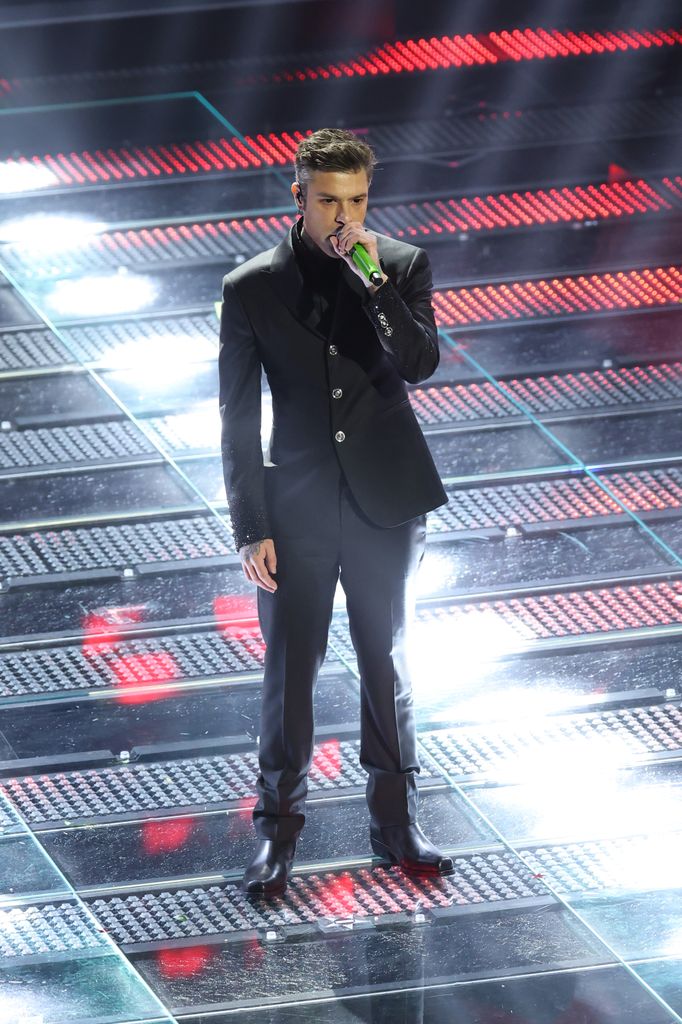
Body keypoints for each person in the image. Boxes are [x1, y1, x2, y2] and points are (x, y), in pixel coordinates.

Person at [219, 127, 453, 897]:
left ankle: (396, 827)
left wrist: (373, 282)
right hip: (298, 510)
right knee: (290, 674)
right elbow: (234, 418)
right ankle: (278, 834)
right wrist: (251, 524)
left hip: (387, 501)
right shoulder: (251, 287)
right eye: (328, 201)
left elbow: (418, 363)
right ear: (299, 196)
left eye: (356, 200)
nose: (343, 215)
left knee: (387, 665)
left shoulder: (401, 266)